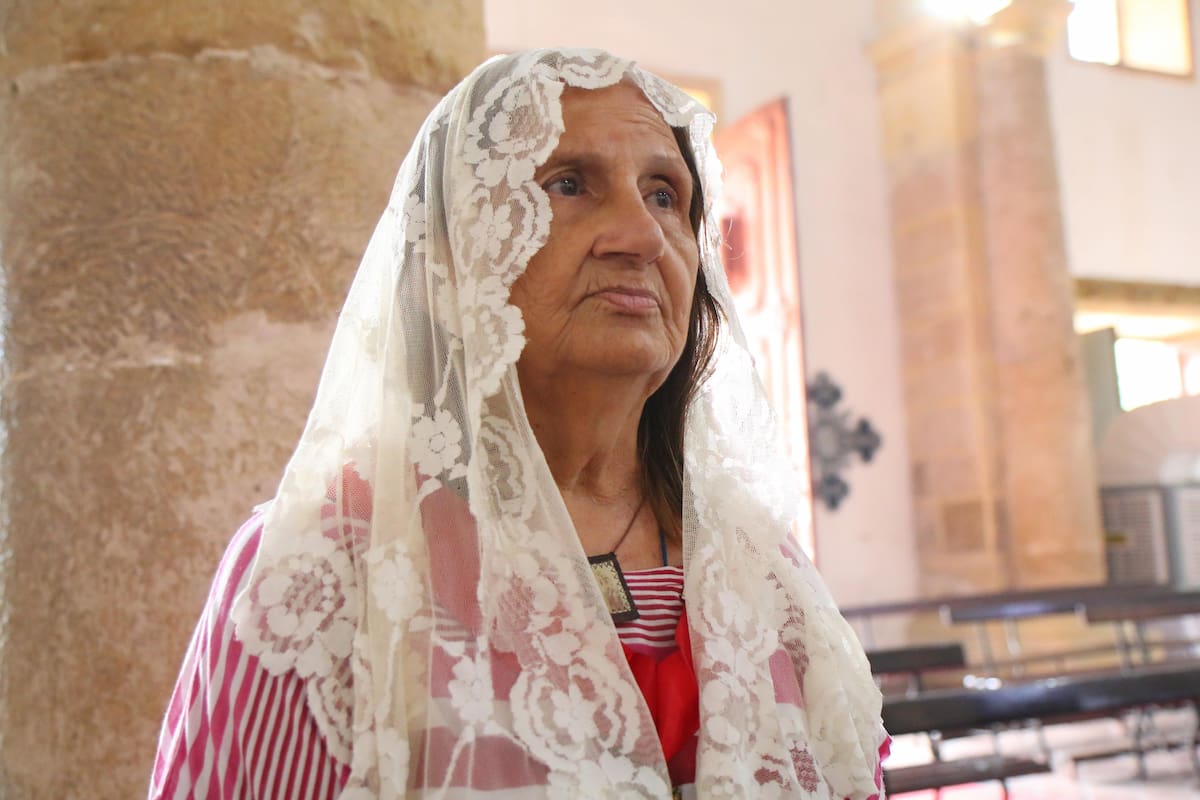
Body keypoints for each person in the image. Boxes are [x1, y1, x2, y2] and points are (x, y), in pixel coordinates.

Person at [150, 48, 889, 799]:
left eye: (666, 194)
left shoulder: (764, 571)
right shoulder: (331, 569)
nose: (641, 236)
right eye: (567, 185)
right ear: (448, 265)